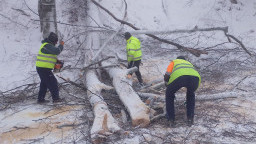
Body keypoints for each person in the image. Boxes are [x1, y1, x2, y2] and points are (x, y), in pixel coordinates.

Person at [164, 56, 201, 127]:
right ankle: (190, 118)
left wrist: (167, 84)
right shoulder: (189, 63)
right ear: (185, 60)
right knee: (191, 95)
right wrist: (193, 90)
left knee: (169, 95)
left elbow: (168, 74)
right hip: (195, 78)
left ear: (178, 59)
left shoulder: (174, 62)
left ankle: (171, 119)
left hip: (180, 77)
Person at [35, 32, 65, 104]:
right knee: (53, 83)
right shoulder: (47, 46)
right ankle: (56, 99)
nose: (56, 43)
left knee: (44, 84)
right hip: (43, 69)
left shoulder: (48, 46)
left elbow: (49, 57)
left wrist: (57, 62)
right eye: (56, 41)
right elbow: (57, 51)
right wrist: (61, 45)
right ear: (53, 40)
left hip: (42, 68)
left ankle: (40, 99)